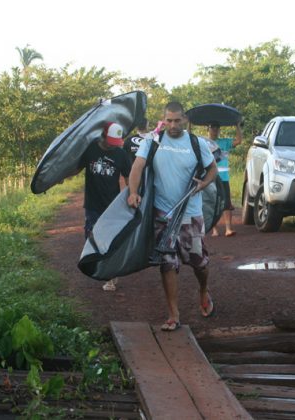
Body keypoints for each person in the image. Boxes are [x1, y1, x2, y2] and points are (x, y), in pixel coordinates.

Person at [127, 102, 218, 331]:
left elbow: (213, 169)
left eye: (177, 120)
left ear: (184, 120)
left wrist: (203, 184)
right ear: (164, 119)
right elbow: (137, 167)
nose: (173, 125)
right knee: (167, 264)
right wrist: (133, 192)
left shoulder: (196, 143)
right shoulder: (153, 141)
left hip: (190, 213)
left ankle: (203, 289)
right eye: (169, 120)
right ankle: (173, 315)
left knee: (199, 263)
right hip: (163, 213)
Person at [78, 121, 130, 291]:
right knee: (91, 237)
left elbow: (129, 177)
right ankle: (99, 266)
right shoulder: (91, 149)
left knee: (110, 239)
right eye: (110, 142)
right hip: (92, 203)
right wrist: (57, 176)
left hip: (112, 204)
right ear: (103, 135)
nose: (112, 146)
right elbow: (75, 167)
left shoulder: (121, 155)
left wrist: (131, 196)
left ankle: (110, 274)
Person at [207, 121, 243, 237]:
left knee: (226, 203)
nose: (215, 129)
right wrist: (189, 124)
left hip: (223, 176)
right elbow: (190, 141)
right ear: (208, 128)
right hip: (210, 177)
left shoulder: (225, 142)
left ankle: (228, 229)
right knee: (212, 203)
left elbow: (238, 140)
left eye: (217, 127)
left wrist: (237, 126)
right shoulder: (203, 142)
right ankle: (214, 230)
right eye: (212, 127)